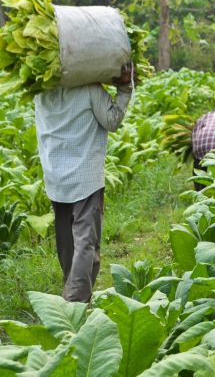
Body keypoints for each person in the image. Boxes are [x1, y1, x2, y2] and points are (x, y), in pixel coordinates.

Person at [34, 64, 133, 303]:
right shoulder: (90, 90)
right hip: (85, 178)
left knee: (67, 244)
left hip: (56, 177)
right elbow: (112, 120)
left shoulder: (41, 93)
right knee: (86, 243)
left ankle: (76, 292)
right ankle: (74, 303)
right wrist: (124, 89)